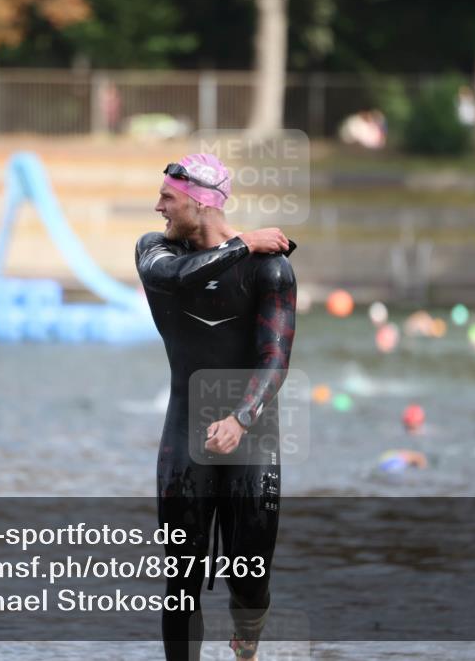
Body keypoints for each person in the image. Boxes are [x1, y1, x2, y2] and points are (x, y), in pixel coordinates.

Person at [135, 153, 297, 661]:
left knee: (249, 578)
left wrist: (241, 418)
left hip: (252, 433)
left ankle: (246, 641)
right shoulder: (154, 251)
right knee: (181, 580)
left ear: (201, 204)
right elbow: (178, 277)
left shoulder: (270, 268)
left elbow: (275, 359)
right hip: (186, 431)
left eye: (168, 198)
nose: (158, 206)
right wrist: (242, 242)